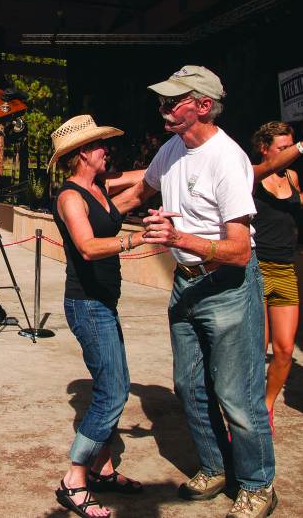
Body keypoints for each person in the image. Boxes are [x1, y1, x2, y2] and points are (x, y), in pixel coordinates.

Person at [113, 65, 277, 518]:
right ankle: (215, 466)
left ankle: (259, 485)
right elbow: (137, 195)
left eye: (173, 101)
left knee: (237, 394)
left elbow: (240, 251)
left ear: (203, 105)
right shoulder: (172, 148)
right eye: (163, 100)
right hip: (186, 284)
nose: (162, 108)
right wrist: (86, 211)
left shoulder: (227, 159)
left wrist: (178, 239)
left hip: (226, 286)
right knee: (188, 386)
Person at [50, 115, 146, 518]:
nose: (108, 150)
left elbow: (143, 184)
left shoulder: (101, 189)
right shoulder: (71, 196)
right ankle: (74, 479)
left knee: (112, 383)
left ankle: (103, 468)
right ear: (83, 153)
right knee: (113, 391)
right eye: (101, 146)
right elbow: (87, 247)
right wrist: (136, 238)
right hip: (87, 305)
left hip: (105, 302)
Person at [250, 121, 302, 434]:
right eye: (283, 148)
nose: (289, 154)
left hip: (286, 269)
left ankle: (266, 406)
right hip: (257, 266)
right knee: (258, 347)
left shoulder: (293, 177)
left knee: (283, 349)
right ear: (264, 148)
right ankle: (250, 409)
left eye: (291, 146)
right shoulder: (253, 176)